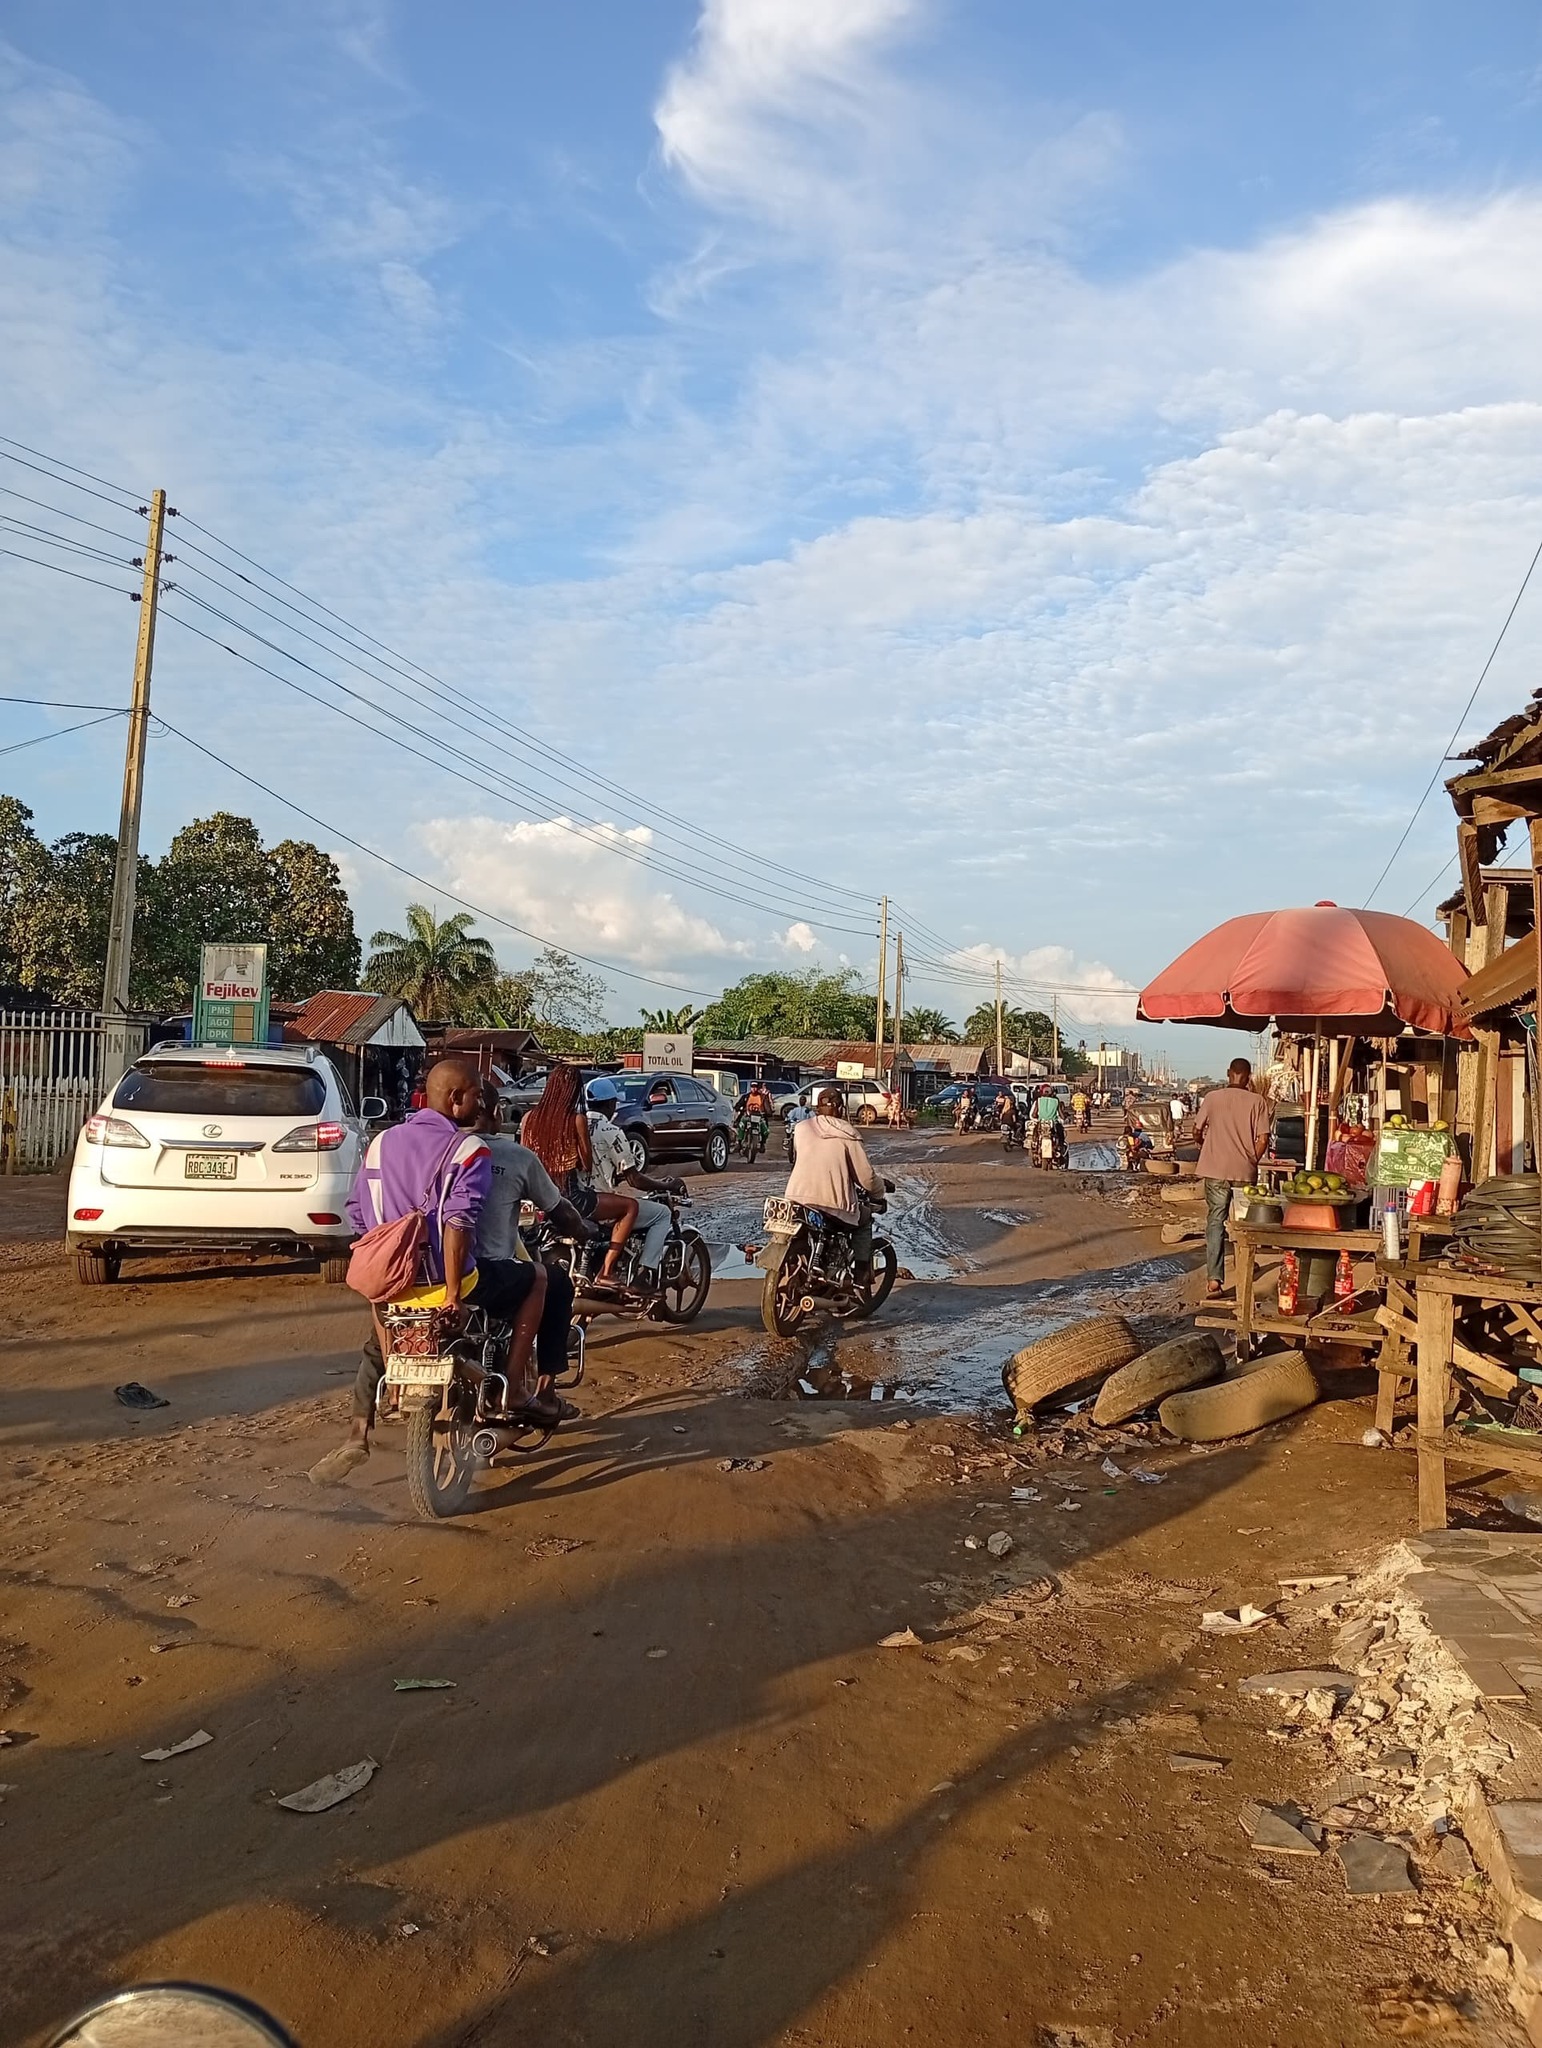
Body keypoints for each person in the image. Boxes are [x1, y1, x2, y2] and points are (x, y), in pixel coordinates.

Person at [309, 1056, 546, 1486]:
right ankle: (515, 1384)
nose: (481, 1103)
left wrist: (387, 1263)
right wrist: (453, 1292)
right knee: (537, 1281)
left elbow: (358, 1214)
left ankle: (356, 1436)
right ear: (456, 1099)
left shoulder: (382, 1143)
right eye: (476, 1095)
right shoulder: (470, 1149)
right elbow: (459, 1222)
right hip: (451, 1282)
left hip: (392, 1285)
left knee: (377, 1347)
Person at [473, 1081, 596, 1410]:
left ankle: (367, 1417)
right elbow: (563, 1210)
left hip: (427, 1273)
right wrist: (582, 1230)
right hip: (488, 1273)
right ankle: (543, 1391)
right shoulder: (515, 1156)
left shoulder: (433, 1150)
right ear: (496, 1112)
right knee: (554, 1283)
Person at [523, 1062, 637, 1285]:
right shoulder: (576, 1120)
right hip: (569, 1196)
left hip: (535, 1196)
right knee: (631, 1206)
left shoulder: (529, 1118)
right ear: (574, 1091)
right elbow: (586, 1164)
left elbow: (525, 1158)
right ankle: (606, 1271)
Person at [585, 1077, 687, 1289]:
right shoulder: (611, 1131)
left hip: (575, 1200)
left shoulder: (575, 1126)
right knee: (662, 1214)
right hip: (598, 1203)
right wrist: (666, 1185)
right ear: (610, 1104)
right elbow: (635, 1179)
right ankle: (644, 1275)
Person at [1193, 1057, 1273, 1299]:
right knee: (1243, 1224)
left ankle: (1214, 1281)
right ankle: (1244, 1265)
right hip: (1243, 1172)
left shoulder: (1212, 1098)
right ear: (1249, 1077)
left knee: (1216, 1221)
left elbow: (1196, 1130)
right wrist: (1251, 1160)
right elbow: (1262, 1139)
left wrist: (1204, 1145)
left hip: (1215, 1170)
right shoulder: (1258, 1101)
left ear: (1229, 1074)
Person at [784, 1086, 883, 1277]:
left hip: (796, 1199)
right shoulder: (848, 1134)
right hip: (832, 1204)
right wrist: (878, 1194)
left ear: (818, 1108)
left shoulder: (802, 1128)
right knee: (864, 1221)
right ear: (840, 1108)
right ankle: (861, 1275)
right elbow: (866, 1178)